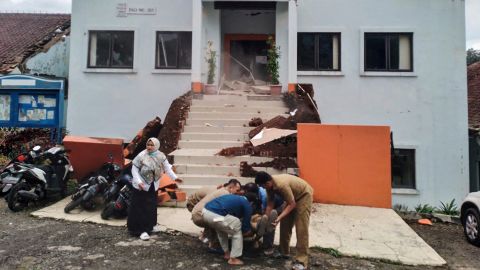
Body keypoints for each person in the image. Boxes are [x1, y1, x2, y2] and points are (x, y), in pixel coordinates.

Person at [255, 172, 313, 270]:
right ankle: (284, 251)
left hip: (304, 196)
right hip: (292, 198)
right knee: (285, 225)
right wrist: (266, 218)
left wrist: (278, 218)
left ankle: (302, 260)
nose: (263, 188)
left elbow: (292, 204)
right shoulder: (269, 186)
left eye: (263, 186)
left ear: (268, 182)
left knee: (301, 228)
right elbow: (270, 204)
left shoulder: (281, 185)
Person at [127, 137, 180, 241]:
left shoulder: (160, 155)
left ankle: (150, 226)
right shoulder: (142, 155)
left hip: (153, 185)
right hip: (141, 186)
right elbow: (134, 169)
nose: (149, 147)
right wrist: (139, 182)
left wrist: (175, 178)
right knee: (140, 207)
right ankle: (140, 230)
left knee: (150, 206)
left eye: (152, 145)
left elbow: (167, 168)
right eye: (148, 145)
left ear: (156, 146)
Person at [202, 193, 257, 265]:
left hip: (205, 212)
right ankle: (233, 258)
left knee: (221, 229)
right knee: (237, 225)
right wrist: (248, 232)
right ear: (251, 202)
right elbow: (246, 226)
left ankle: (227, 254)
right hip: (215, 215)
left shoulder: (234, 197)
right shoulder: (246, 203)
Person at [191, 179, 242, 247]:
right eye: (237, 190)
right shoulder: (225, 194)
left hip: (197, 213)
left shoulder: (221, 191)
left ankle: (206, 238)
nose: (237, 193)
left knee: (216, 217)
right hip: (199, 215)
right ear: (231, 188)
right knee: (220, 219)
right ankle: (213, 244)